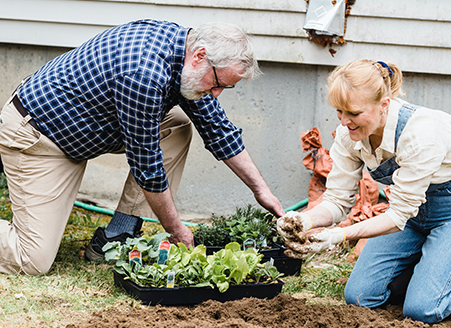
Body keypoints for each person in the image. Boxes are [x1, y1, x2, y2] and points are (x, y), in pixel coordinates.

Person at [0, 19, 284, 275]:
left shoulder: (185, 57)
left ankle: (117, 234)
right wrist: (176, 230)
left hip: (83, 130)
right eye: (219, 83)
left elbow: (218, 130)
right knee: (32, 259)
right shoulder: (144, 73)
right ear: (200, 56)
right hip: (39, 137)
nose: (218, 93)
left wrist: (262, 191)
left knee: (177, 125)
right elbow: (147, 167)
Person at [277, 59, 451, 324]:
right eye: (339, 111)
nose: (345, 121)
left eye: (354, 113)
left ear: (384, 105)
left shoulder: (422, 133)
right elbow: (337, 200)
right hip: (413, 216)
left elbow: (396, 218)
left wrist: (338, 235)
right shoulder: (349, 134)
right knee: (360, 297)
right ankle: (430, 264)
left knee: (422, 310)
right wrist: (305, 220)